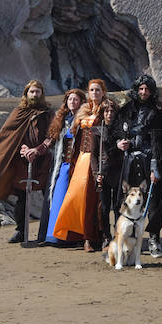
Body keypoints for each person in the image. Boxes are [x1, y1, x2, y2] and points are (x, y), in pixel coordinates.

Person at [0, 80, 53, 244]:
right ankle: (21, 230)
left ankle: (49, 231)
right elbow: (11, 136)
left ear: (42, 94)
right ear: (26, 94)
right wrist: (24, 149)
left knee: (49, 195)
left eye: (37, 92)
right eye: (32, 92)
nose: (34, 95)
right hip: (23, 162)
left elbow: (52, 135)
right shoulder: (19, 112)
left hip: (44, 160)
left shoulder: (48, 113)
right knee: (22, 196)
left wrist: (39, 149)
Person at [115, 74, 162, 258]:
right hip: (129, 162)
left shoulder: (158, 112)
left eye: (147, 89)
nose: (143, 92)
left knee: (153, 202)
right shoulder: (126, 110)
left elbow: (159, 143)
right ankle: (127, 242)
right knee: (129, 202)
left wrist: (155, 167)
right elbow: (116, 131)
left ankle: (154, 240)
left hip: (150, 161)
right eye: (140, 89)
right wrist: (119, 143)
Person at [52, 79, 106, 252]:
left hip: (99, 157)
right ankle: (80, 235)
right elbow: (73, 134)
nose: (95, 93)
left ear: (103, 92)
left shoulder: (108, 109)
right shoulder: (83, 110)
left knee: (97, 199)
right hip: (82, 158)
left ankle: (97, 237)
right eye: (92, 90)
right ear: (88, 93)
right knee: (78, 197)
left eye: (98, 90)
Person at [38, 88, 85, 245]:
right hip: (62, 165)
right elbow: (49, 140)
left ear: (81, 102)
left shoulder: (85, 120)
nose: (73, 102)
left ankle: (73, 237)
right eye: (70, 99)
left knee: (74, 201)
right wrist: (35, 150)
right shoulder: (62, 119)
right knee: (58, 198)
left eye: (76, 100)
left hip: (78, 166)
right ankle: (54, 236)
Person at [93, 98, 121, 251]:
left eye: (112, 111)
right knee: (104, 208)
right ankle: (106, 236)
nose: (109, 114)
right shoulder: (97, 130)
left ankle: (118, 236)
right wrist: (96, 173)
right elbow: (94, 155)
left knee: (117, 207)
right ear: (102, 113)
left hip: (117, 172)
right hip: (102, 173)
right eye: (106, 111)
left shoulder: (120, 130)